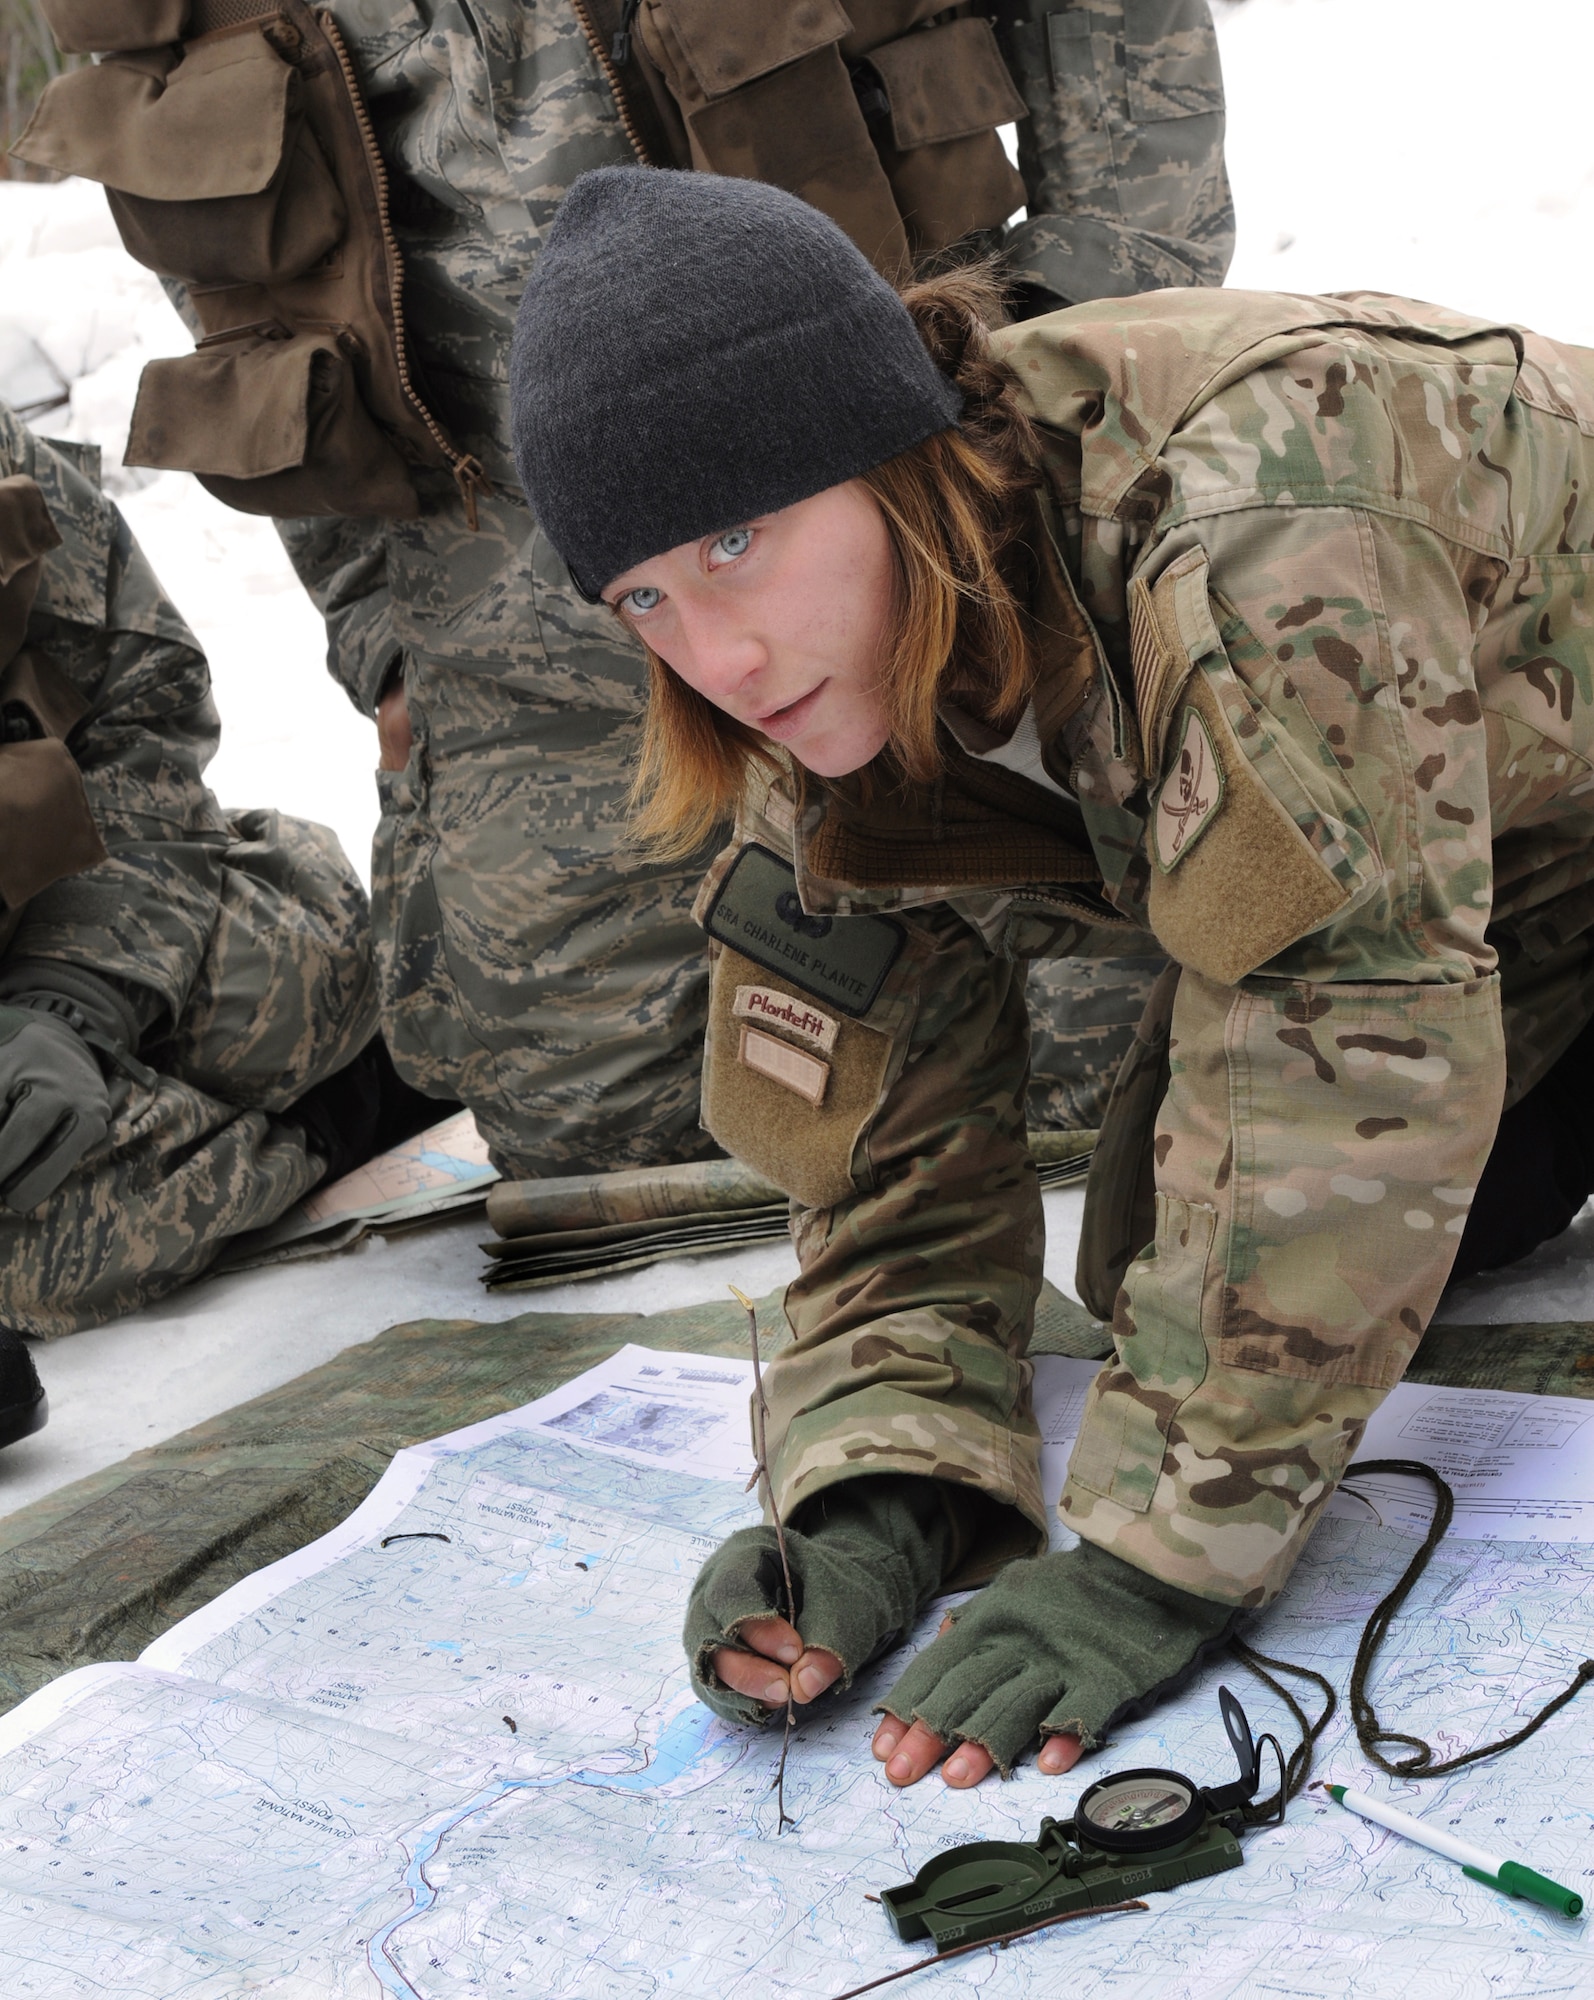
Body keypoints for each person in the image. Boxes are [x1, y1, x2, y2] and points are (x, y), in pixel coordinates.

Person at [507, 167, 1594, 1789]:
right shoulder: (810, 683)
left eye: (738, 540)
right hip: (1514, 832)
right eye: (646, 596)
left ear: (883, 461)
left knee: (1289, 1268)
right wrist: (877, 1490)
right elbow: (886, 1165)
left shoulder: (1252, 545)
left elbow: (1344, 1055)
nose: (714, 656)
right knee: (1172, 1255)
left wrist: (1155, 1564)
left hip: (1513, 774)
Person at [18, 0, 1233, 1175]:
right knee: (595, 1143)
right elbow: (240, 292)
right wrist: (386, 646)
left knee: (1115, 1085)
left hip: (903, 516)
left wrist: (1052, 396)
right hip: (503, 622)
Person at [0, 403, 416, 1361]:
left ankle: (344, 1076)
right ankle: (312, 1138)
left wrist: (69, 1000)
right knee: (33, 1236)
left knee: (294, 978)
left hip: (40, 913)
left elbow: (139, 719)